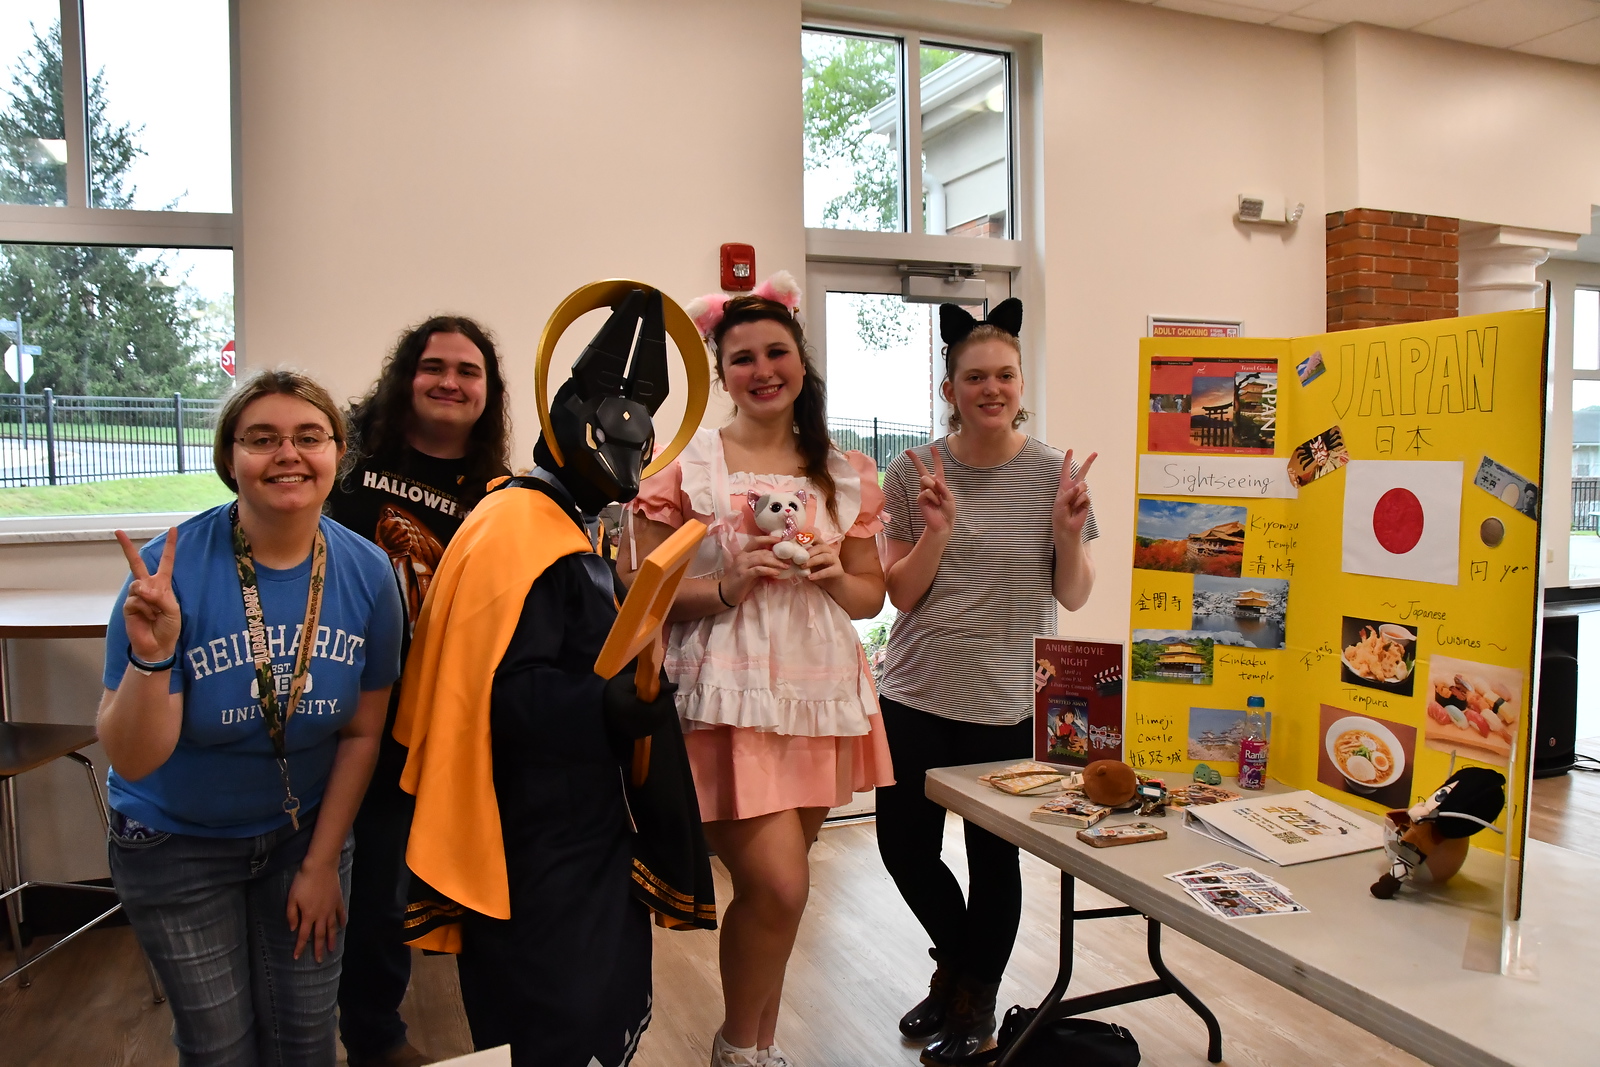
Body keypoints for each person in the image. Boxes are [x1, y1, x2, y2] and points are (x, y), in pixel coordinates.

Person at [393, 286, 715, 1067]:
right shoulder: (524, 532)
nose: (630, 462)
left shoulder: (534, 515)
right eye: (615, 433)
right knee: (557, 1023)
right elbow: (510, 697)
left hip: (571, 825)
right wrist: (614, 702)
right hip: (539, 840)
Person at [623, 273, 894, 1067]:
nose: (763, 369)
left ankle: (761, 1046)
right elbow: (639, 591)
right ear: (721, 371)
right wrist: (726, 584)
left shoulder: (843, 470)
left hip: (820, 695)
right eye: (743, 358)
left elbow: (869, 596)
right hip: (724, 696)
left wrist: (832, 575)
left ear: (801, 361)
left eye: (777, 352)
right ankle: (738, 1049)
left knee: (782, 891)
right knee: (779, 884)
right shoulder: (687, 466)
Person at [99, 369, 405, 1067]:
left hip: (305, 834)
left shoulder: (367, 572)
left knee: (306, 1040)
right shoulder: (166, 574)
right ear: (230, 458)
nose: (287, 454)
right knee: (221, 1049)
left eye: (309, 437)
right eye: (261, 438)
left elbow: (363, 732)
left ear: (338, 454)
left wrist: (322, 862)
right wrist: (154, 655)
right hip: (177, 840)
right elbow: (135, 758)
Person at [874, 299, 1098, 1066]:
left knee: (993, 861)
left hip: (1008, 703)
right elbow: (902, 594)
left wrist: (1068, 532)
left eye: (1004, 374)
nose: (990, 388)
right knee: (904, 850)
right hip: (915, 694)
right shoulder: (911, 471)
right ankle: (962, 971)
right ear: (950, 388)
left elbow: (1074, 595)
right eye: (975, 377)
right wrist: (935, 531)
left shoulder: (1056, 474)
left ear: (1021, 382)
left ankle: (974, 1001)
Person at [328, 315, 511, 1067]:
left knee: (445, 876)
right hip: (354, 707)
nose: (449, 381)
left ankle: (487, 1037)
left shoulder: (501, 492)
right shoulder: (348, 463)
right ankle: (363, 1034)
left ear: (488, 392)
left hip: (452, 717)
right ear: (406, 376)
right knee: (366, 878)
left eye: (468, 371)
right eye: (434, 366)